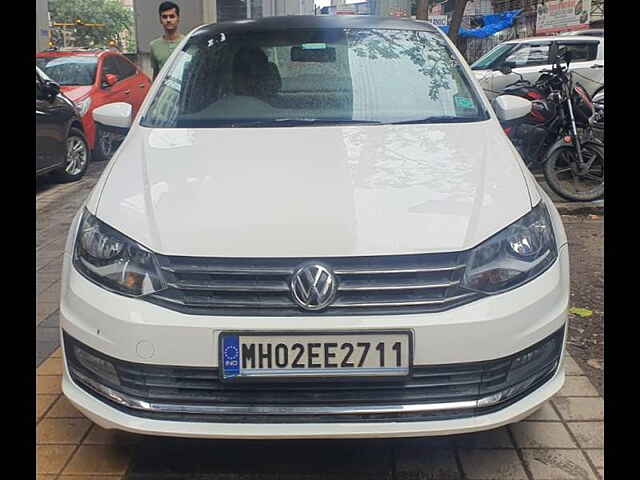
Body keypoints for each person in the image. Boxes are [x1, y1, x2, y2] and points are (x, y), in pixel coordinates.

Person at [150, 2, 184, 79]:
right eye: (164, 17)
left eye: (172, 16)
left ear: (178, 18)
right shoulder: (154, 45)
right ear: (160, 20)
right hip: (165, 90)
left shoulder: (187, 42)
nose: (168, 20)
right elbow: (156, 74)